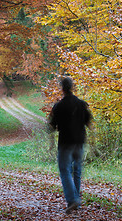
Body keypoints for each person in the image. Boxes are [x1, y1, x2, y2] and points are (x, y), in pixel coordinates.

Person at [49, 76, 92, 214]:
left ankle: (73, 200)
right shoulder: (81, 104)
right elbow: (89, 123)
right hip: (79, 141)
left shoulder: (58, 106)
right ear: (72, 87)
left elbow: (52, 126)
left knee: (64, 170)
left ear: (62, 88)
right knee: (77, 170)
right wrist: (94, 143)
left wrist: (50, 143)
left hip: (65, 142)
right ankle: (76, 202)